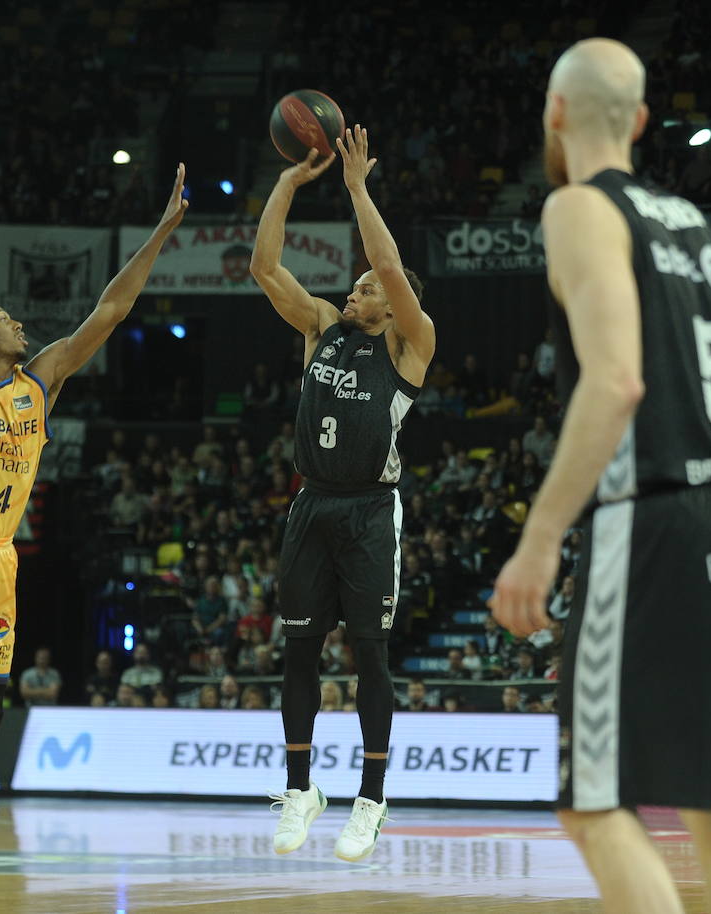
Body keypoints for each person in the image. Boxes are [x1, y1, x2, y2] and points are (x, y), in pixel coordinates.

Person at [489, 39, 711, 914]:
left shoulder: (575, 207)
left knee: (592, 803)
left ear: (556, 112)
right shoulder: (697, 226)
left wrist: (538, 541)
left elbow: (616, 382)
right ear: (643, 120)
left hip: (650, 520)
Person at [0, 164, 188, 910]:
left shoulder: (40, 382)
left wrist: (163, 230)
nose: (21, 322)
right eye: (5, 317)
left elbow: (109, 310)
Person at [250, 126, 436, 863]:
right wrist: (291, 183)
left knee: (370, 652)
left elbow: (389, 263)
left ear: (392, 305)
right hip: (312, 502)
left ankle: (372, 799)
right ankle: (302, 788)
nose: (355, 288)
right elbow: (266, 266)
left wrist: (358, 187)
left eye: (367, 287)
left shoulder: (410, 342)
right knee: (299, 650)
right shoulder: (324, 326)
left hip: (368, 509)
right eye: (355, 284)